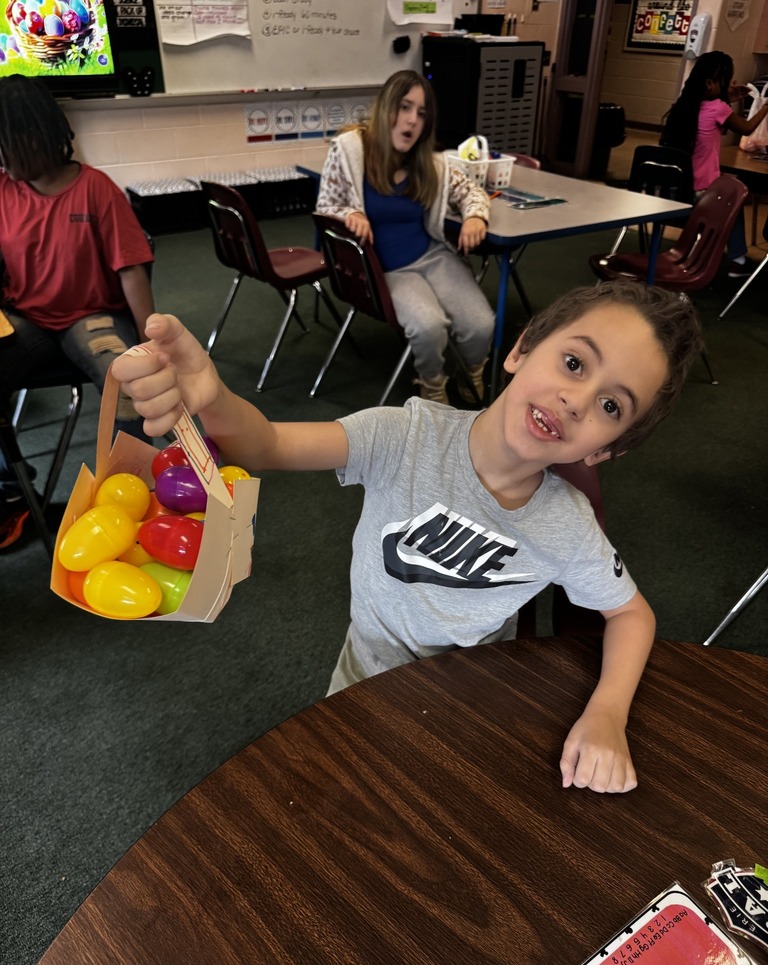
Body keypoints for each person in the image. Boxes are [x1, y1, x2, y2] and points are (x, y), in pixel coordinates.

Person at [112, 280, 703, 795]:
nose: (575, 401)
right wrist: (212, 399)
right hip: (360, 672)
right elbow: (265, 444)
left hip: (469, 700)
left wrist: (607, 713)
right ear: (521, 349)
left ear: (605, 450)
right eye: (574, 363)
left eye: (609, 405)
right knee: (337, 789)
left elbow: (632, 614)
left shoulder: (566, 524)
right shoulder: (404, 436)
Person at [0, 75, 155, 548]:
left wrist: (151, 344)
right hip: (27, 319)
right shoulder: (4, 190)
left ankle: (132, 495)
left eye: (4, 147)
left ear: (34, 139)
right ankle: (11, 486)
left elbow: (131, 271)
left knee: (130, 382)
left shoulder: (96, 189)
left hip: (90, 317)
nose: (1, 159)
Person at [315, 70, 494, 407]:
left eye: (422, 113)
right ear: (386, 109)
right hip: (387, 270)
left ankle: (471, 373)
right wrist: (349, 214)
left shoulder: (431, 163)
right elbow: (326, 207)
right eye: (405, 107)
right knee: (429, 326)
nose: (412, 120)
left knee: (481, 324)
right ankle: (432, 385)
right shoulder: (351, 150)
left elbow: (471, 191)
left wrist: (474, 215)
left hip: (431, 256)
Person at [660, 50, 768, 279]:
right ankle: (738, 261)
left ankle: (736, 258)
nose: (733, 84)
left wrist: (728, 97)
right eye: (728, 81)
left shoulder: (683, 107)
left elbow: (711, 113)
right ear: (710, 84)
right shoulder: (718, 108)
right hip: (701, 193)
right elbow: (747, 128)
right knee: (734, 197)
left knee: (731, 196)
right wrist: (766, 107)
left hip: (676, 190)